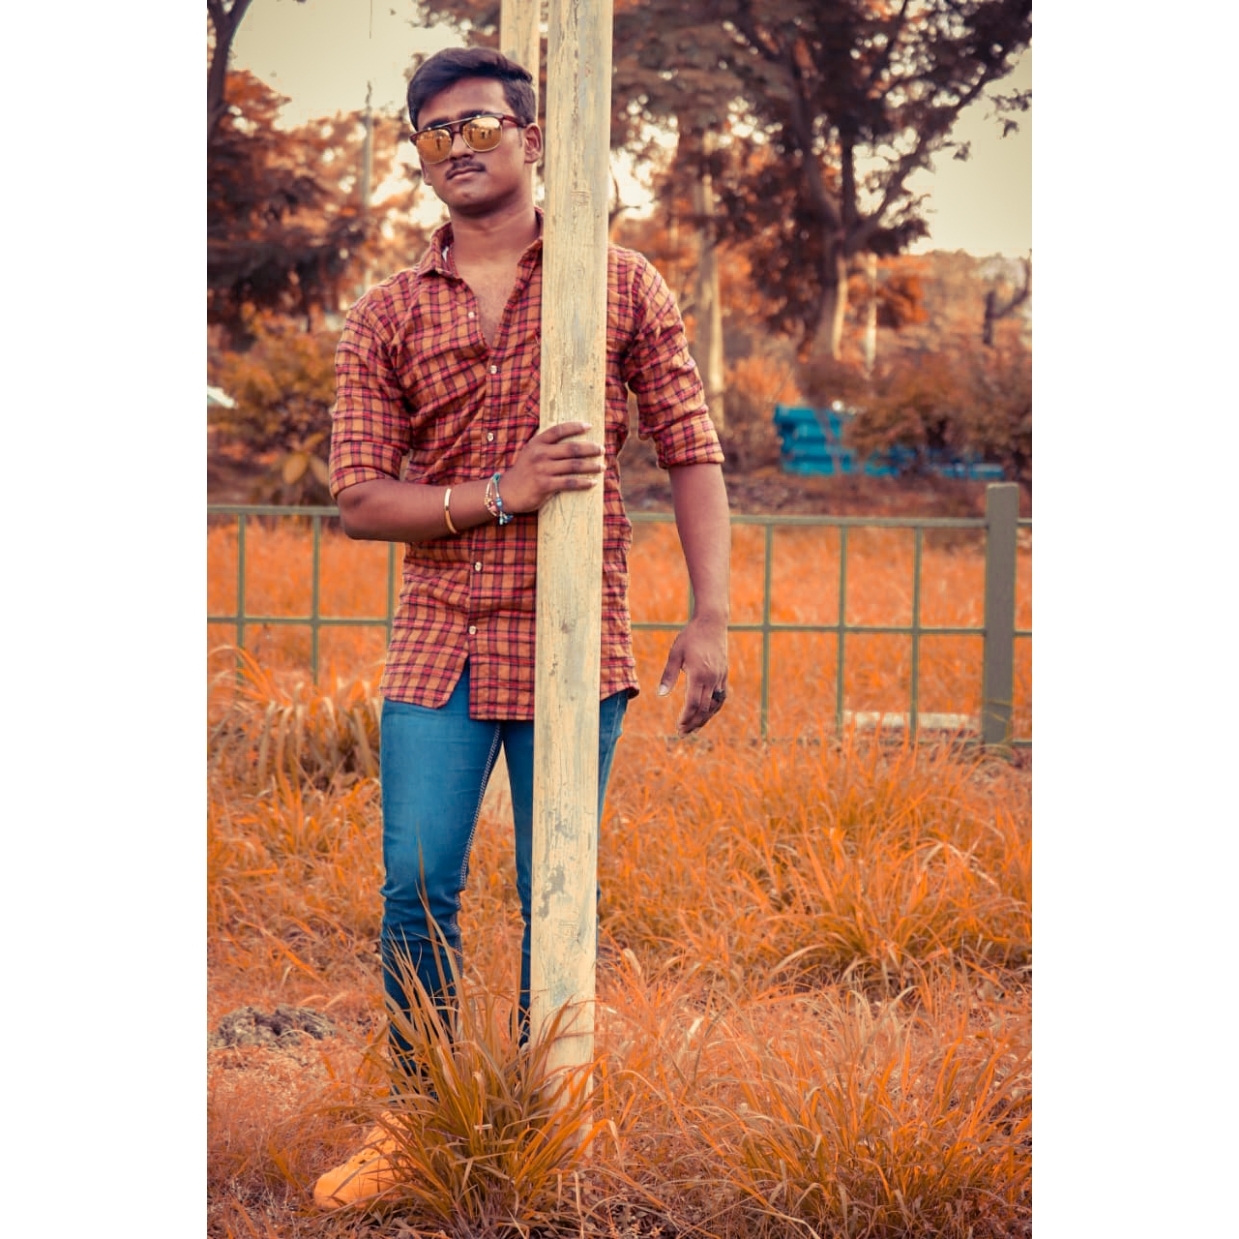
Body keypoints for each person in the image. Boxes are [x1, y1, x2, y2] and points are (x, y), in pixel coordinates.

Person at [313, 46, 730, 1208]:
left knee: (559, 886)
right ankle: (418, 1117)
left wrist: (710, 615)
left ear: (533, 138)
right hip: (441, 636)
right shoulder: (387, 312)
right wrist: (505, 491)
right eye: (435, 131)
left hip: (574, 637)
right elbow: (360, 501)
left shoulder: (616, 282)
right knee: (416, 882)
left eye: (481, 124)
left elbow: (691, 448)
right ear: (418, 153)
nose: (459, 146)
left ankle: (552, 1117)